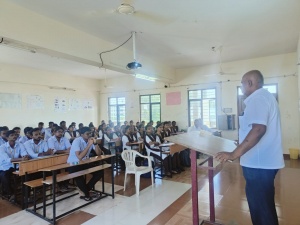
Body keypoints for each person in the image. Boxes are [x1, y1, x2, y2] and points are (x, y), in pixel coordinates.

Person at [216, 70, 284, 225]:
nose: (241, 87)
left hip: (259, 165)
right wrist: (241, 143)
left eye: (242, 83)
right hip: (263, 163)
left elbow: (258, 129)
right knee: (263, 205)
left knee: (261, 208)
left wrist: (234, 154)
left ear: (250, 83)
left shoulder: (257, 98)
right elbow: (254, 129)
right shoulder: (265, 97)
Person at [67, 127, 103, 201]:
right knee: (79, 176)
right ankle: (86, 194)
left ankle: (86, 191)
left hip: (84, 162)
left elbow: (99, 154)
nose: (89, 135)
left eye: (90, 133)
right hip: (73, 163)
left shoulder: (90, 140)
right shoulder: (77, 141)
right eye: (87, 134)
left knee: (100, 172)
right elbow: (79, 157)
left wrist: (95, 143)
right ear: (81, 134)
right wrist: (89, 145)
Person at [0, 130, 29, 201]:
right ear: (7, 138)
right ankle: (10, 194)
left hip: (17, 165)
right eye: (12, 135)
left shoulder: (19, 144)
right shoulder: (2, 147)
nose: (14, 136)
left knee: (27, 173)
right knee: (4, 176)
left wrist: (25, 157)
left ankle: (26, 195)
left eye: (15, 135)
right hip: (5, 166)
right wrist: (21, 159)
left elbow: (24, 154)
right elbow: (8, 159)